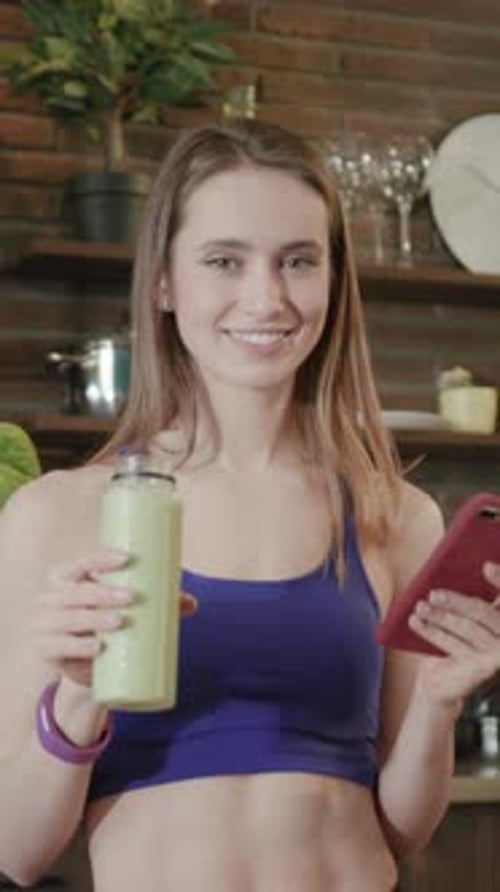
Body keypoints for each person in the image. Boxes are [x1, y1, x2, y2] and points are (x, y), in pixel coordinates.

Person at [0, 120, 499, 892]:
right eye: (224, 261)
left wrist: (437, 704)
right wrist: (78, 695)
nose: (266, 298)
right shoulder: (57, 515)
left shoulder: (395, 516)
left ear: (334, 281)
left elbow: (399, 831)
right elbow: (16, 851)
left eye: (298, 261)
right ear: (164, 281)